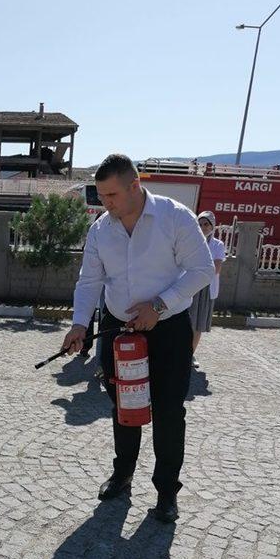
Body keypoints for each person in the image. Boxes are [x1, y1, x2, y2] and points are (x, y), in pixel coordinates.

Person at [63, 154, 214, 523]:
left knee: (167, 411)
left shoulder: (175, 217)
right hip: (119, 327)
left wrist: (158, 306)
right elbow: (89, 281)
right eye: (101, 196)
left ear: (135, 186)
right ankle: (123, 474)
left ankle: (166, 492)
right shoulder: (101, 229)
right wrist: (80, 324)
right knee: (123, 407)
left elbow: (202, 270)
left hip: (168, 328)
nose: (105, 204)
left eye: (112, 195)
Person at [189, 211, 226, 368]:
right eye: (200, 224)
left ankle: (190, 355)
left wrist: (199, 269)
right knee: (185, 323)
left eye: (206, 224)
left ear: (212, 226)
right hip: (189, 286)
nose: (203, 227)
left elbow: (216, 268)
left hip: (206, 289)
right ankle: (180, 352)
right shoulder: (191, 242)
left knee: (198, 324)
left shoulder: (217, 245)